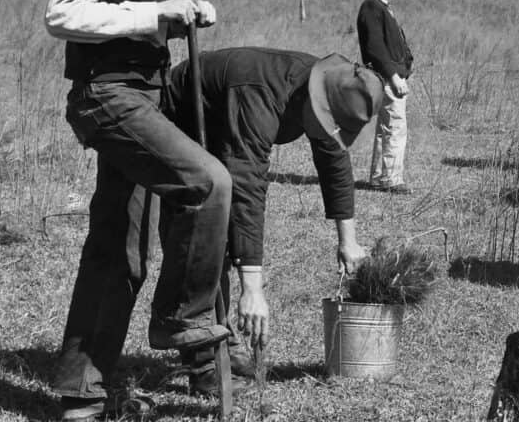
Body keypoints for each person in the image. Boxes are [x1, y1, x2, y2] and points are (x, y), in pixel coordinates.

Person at [44, 0, 231, 422]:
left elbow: (136, 19)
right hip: (108, 97)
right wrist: (157, 14)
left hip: (139, 99)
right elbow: (63, 13)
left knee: (119, 248)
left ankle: (82, 389)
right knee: (209, 184)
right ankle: (182, 320)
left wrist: (177, 16)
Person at [162, 49, 383, 394]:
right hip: (179, 118)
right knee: (202, 237)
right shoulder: (260, 96)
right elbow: (247, 187)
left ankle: (220, 339)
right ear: (316, 101)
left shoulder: (328, 88)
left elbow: (335, 164)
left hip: (225, 132)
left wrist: (348, 240)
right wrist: (253, 289)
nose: (327, 133)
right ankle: (204, 359)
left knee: (218, 230)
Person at [357, 0, 414, 194]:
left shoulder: (378, 8)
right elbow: (376, 49)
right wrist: (393, 77)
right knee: (394, 127)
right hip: (386, 79)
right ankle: (390, 179)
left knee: (386, 128)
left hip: (388, 77)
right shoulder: (372, 8)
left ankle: (381, 177)